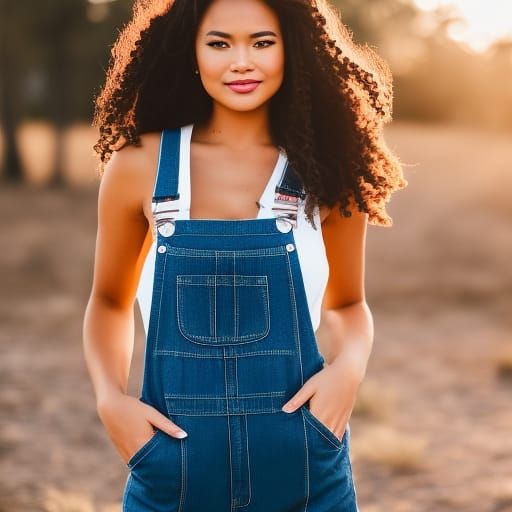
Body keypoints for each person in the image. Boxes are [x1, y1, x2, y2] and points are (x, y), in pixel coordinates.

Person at [83, 0, 407, 510]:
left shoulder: (328, 168)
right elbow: (107, 300)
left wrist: (350, 370)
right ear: (191, 51)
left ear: (293, 49)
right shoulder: (138, 165)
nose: (241, 62)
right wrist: (110, 400)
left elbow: (347, 304)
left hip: (304, 464)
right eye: (219, 44)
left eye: (262, 42)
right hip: (172, 469)